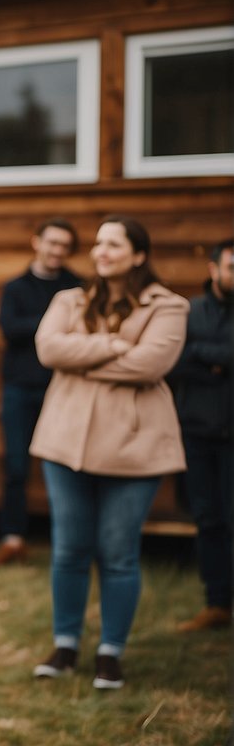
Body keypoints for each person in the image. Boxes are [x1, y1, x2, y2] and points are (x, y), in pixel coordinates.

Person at [29, 215, 187, 691]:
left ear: (138, 254)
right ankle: (65, 645)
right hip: (65, 445)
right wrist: (114, 345)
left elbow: (151, 363)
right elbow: (48, 349)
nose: (101, 251)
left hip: (134, 449)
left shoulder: (170, 305)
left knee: (118, 553)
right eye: (98, 243)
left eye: (113, 244)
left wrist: (83, 357)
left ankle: (110, 652)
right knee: (69, 550)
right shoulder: (68, 299)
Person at [0, 218, 82, 568]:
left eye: (64, 245)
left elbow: (81, 332)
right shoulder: (15, 287)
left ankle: (70, 542)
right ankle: (13, 539)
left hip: (65, 390)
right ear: (36, 243)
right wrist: (54, 326)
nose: (57, 250)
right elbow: (10, 329)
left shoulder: (77, 287)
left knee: (68, 466)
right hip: (19, 390)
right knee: (16, 466)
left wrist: (41, 326)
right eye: (52, 243)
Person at [168, 237, 233, 632]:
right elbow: (172, 362)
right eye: (232, 267)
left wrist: (203, 354)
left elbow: (196, 355)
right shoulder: (189, 312)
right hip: (197, 433)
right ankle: (217, 603)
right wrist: (211, 359)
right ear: (214, 269)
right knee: (207, 518)